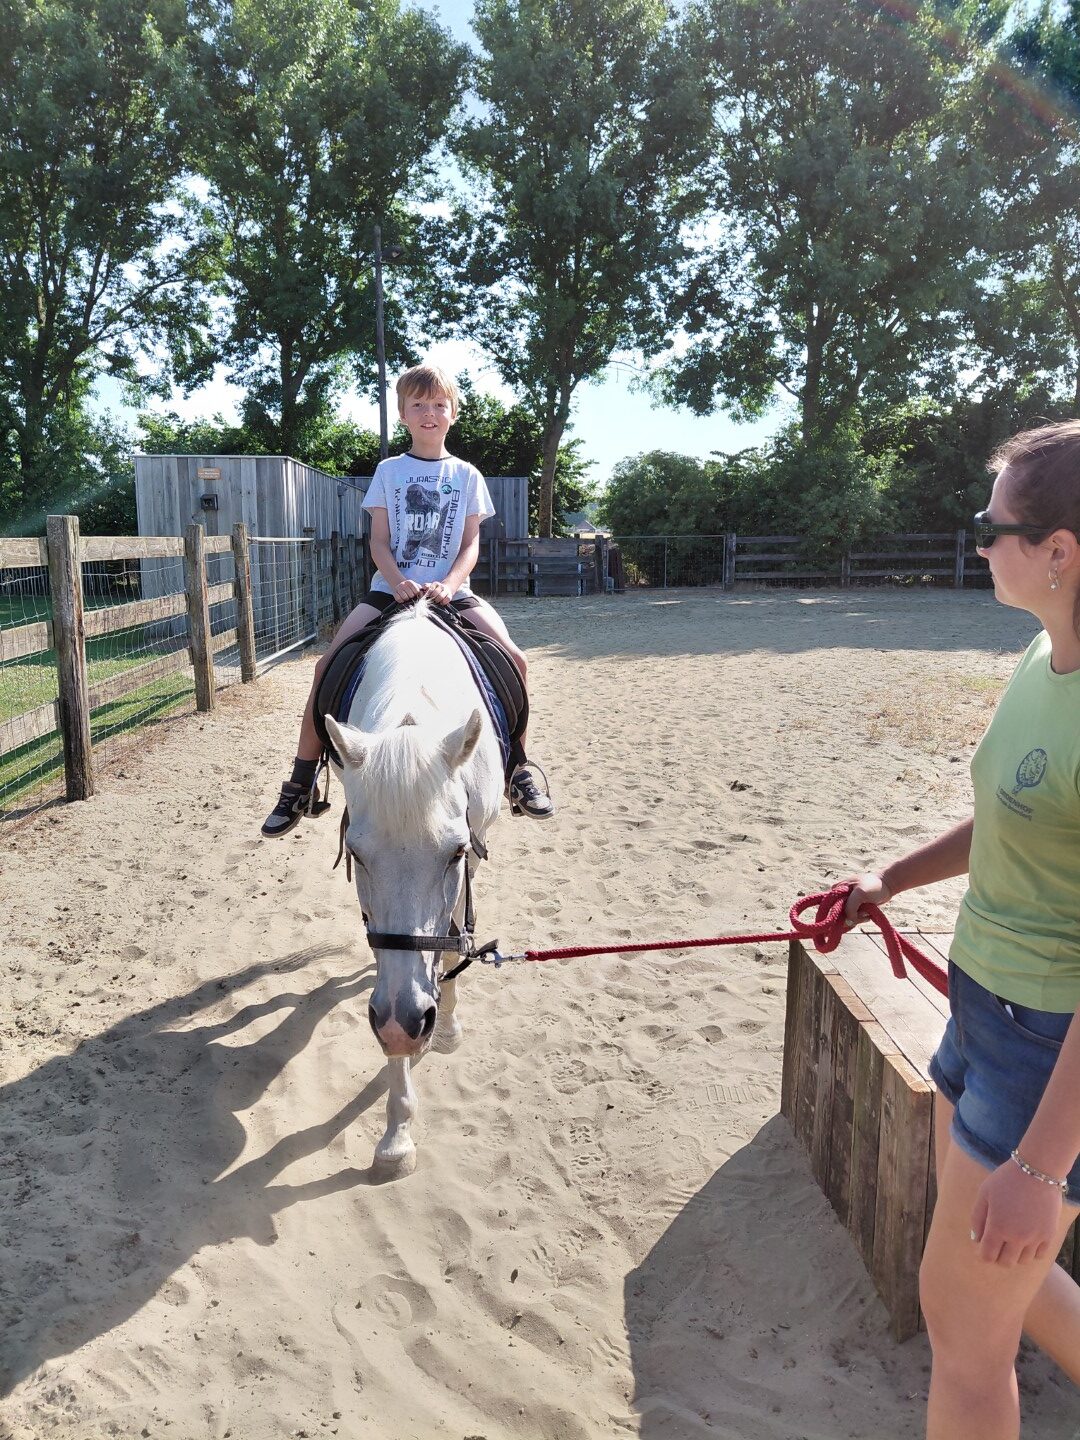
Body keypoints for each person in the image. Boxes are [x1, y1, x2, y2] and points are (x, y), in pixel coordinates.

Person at [845, 420, 1080, 1440]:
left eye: (993, 528)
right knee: (1002, 1285)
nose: (979, 544)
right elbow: (1011, 816)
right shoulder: (1042, 653)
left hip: (1047, 1052)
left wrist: (1041, 1166)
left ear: (1059, 551)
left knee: (965, 1336)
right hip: (983, 1010)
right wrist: (890, 880)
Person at [261, 363, 555, 836]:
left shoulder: (466, 475)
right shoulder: (389, 471)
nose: (429, 413)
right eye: (418, 404)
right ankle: (302, 779)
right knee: (324, 666)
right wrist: (397, 580)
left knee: (516, 660)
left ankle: (517, 767)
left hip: (452, 593)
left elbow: (470, 545)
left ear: (453, 413)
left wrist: (451, 583)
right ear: (402, 413)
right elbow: (379, 541)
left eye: (438, 404)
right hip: (390, 591)